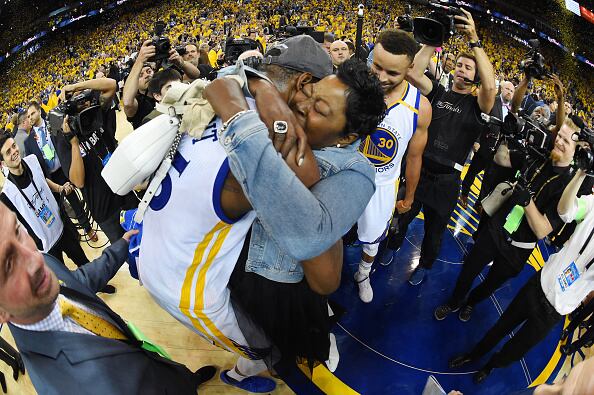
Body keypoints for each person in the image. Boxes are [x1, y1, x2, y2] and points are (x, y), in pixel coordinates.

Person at [138, 48, 384, 393]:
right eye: (310, 94)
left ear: (345, 138)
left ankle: (252, 366)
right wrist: (265, 93)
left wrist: (254, 99)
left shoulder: (351, 169)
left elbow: (321, 267)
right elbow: (233, 79)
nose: (302, 106)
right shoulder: (275, 119)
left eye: (320, 110)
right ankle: (247, 370)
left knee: (279, 346)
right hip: (225, 278)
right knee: (270, 350)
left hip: (266, 282)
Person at [0, 202, 216, 394]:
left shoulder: (44, 269)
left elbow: (78, 281)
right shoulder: (67, 385)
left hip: (157, 369)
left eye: (17, 230)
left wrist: (120, 247)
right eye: (8, 265)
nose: (35, 260)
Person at [450, 165, 594, 383]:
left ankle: (491, 366)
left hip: (556, 309)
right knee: (501, 326)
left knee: (517, 349)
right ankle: (473, 355)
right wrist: (581, 174)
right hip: (539, 285)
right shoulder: (592, 206)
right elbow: (566, 212)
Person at [385, 8, 497, 285]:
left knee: (434, 233)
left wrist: (473, 39)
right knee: (401, 215)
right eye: (459, 65)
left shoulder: (478, 106)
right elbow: (412, 72)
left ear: (476, 77)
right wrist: (432, 39)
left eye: (468, 67)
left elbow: (491, 88)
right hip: (417, 171)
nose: (461, 69)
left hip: (447, 182)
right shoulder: (438, 92)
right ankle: (391, 246)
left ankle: (424, 265)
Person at [435, 119, 578, 323]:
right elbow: (501, 159)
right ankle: (455, 301)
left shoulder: (567, 189)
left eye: (566, 140)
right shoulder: (538, 157)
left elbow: (541, 231)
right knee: (468, 269)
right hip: (496, 230)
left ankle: (470, 303)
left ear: (576, 152)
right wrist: (506, 137)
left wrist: (527, 202)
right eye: (560, 136)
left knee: (490, 285)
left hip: (518, 249)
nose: (559, 142)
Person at [353, 29, 432, 303]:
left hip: (383, 183)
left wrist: (409, 196)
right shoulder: (355, 85)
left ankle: (363, 273)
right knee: (331, 231)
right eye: (377, 66)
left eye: (392, 73)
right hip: (345, 173)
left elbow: (413, 157)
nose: (382, 77)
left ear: (410, 68)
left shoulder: (419, 108)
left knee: (373, 238)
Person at [54, 78, 130, 243]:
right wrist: (74, 142)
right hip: (105, 210)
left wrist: (75, 86)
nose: (85, 102)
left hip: (125, 189)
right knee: (128, 254)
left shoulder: (96, 113)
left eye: (84, 98)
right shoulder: (64, 138)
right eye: (78, 102)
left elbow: (111, 85)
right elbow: (78, 181)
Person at [0, 134, 89, 268]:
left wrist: (60, 188)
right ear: (3, 163)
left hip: (62, 226)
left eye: (14, 146)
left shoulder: (32, 160)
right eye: (8, 152)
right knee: (64, 280)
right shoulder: (7, 196)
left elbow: (41, 179)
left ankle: (99, 284)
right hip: (47, 246)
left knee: (83, 261)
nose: (14, 151)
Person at [460, 80, 515, 207]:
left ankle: (479, 203)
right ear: (501, 89)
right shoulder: (492, 101)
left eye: (512, 91)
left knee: (488, 179)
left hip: (498, 151)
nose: (509, 93)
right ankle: (464, 193)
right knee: (473, 171)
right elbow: (481, 120)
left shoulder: (512, 111)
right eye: (507, 89)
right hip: (485, 144)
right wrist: (477, 140)